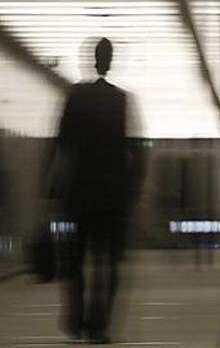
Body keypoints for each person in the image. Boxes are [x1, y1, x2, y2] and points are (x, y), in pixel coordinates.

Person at [54, 37, 144, 344]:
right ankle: (98, 324)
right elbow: (135, 151)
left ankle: (77, 318)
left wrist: (52, 188)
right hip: (113, 197)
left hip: (79, 193)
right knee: (108, 263)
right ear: (110, 60)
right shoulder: (120, 100)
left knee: (76, 260)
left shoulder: (75, 96)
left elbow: (61, 144)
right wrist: (133, 191)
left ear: (91, 59)